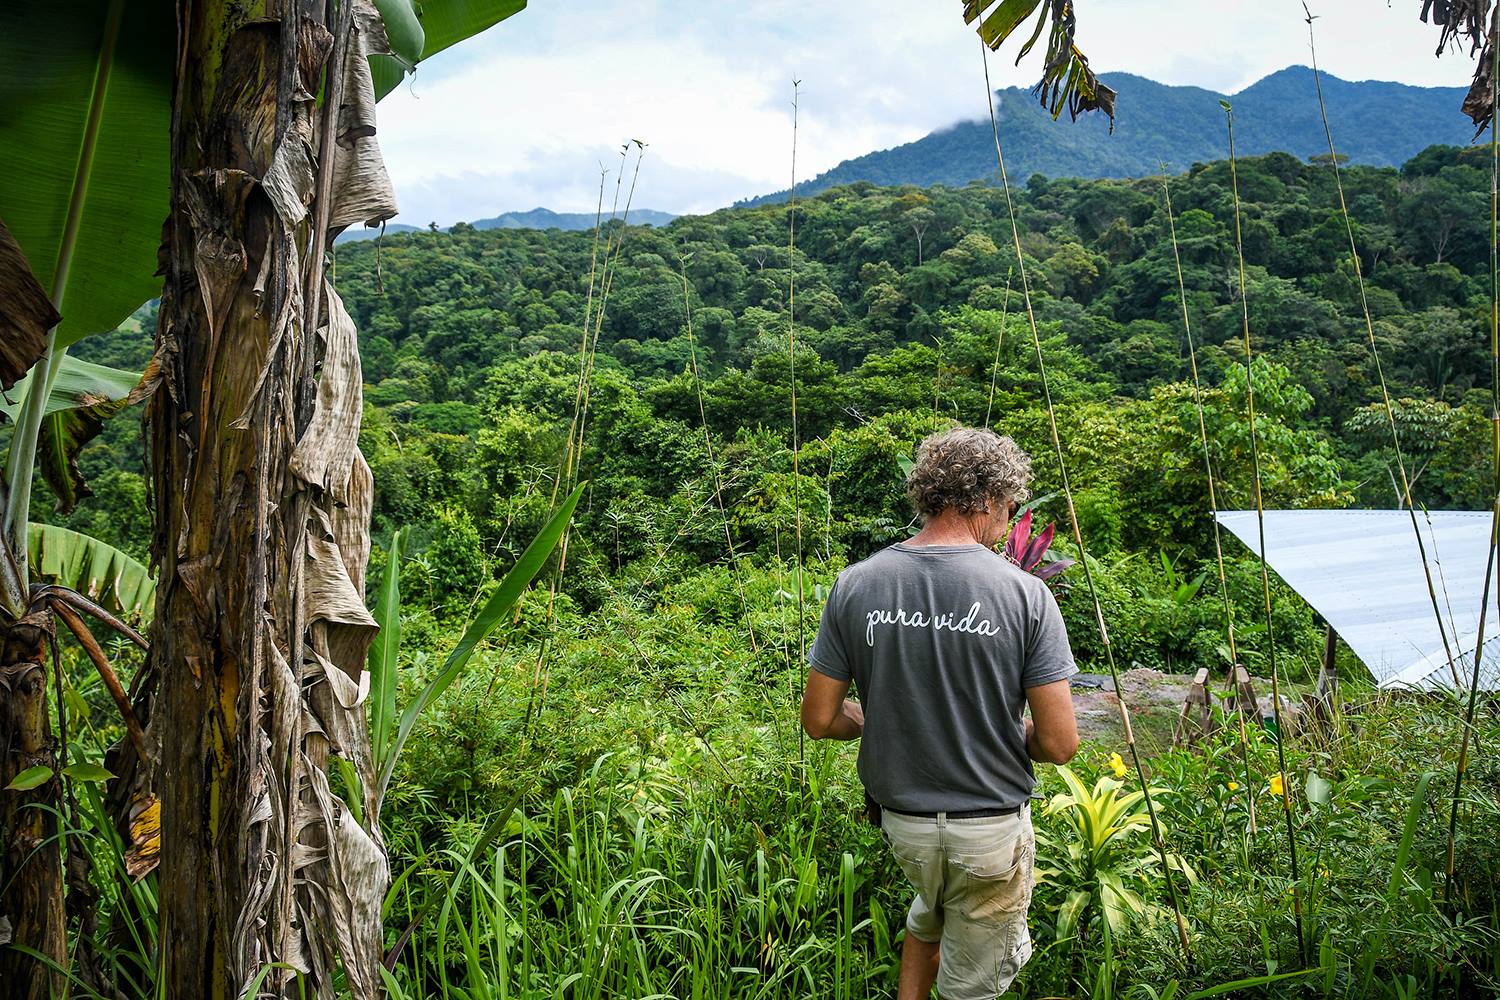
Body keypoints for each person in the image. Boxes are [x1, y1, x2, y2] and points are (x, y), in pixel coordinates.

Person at [800, 426, 1079, 1000]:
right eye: (1010, 505)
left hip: (905, 827)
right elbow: (1058, 743)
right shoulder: (1026, 595)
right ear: (985, 499)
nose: (1010, 518)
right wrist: (999, 732)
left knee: (928, 916)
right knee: (971, 986)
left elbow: (820, 719)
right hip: (988, 832)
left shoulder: (856, 584)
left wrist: (883, 721)